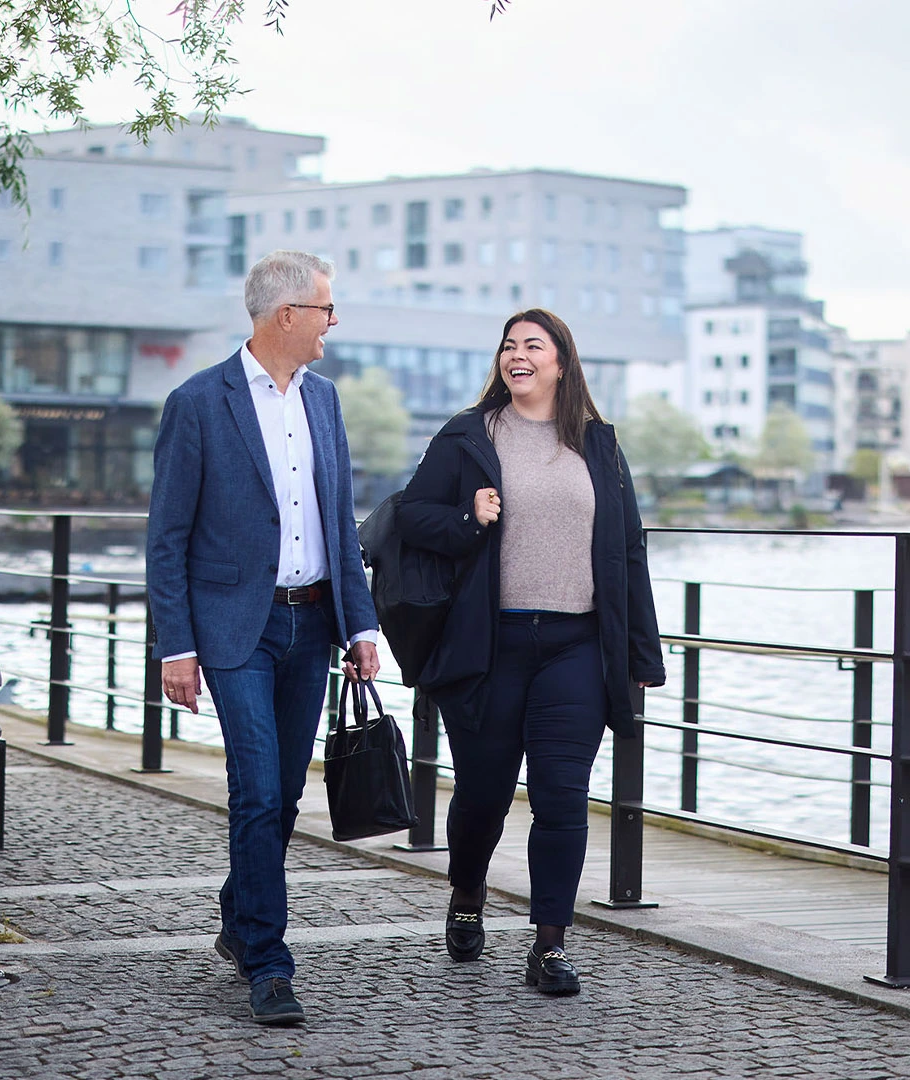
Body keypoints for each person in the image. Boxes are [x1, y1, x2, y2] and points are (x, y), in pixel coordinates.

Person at [145, 250, 381, 1026]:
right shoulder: (198, 402)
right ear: (287, 316)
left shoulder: (327, 402)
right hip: (234, 630)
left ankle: (238, 911)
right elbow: (167, 536)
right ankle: (269, 965)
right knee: (255, 789)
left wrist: (361, 623)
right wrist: (174, 647)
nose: (333, 322)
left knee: (283, 793)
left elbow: (339, 523)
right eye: (326, 309)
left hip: (313, 625)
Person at [399, 308, 664, 996]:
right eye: (509, 346)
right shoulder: (467, 435)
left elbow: (627, 549)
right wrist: (469, 517)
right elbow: (410, 517)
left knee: (562, 797)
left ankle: (549, 945)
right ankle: (466, 894)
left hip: (576, 647)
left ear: (560, 363)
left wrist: (641, 656)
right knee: (483, 793)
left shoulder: (598, 445)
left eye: (532, 346)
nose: (517, 355)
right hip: (492, 646)